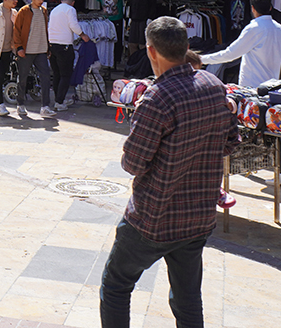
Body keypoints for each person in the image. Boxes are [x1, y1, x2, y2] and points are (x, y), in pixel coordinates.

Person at [99, 17, 237, 328]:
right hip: (198, 216)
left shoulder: (157, 98)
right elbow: (230, 142)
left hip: (153, 218)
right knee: (188, 298)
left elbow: (133, 163)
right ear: (187, 48)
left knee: (116, 286)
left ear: (151, 52)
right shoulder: (215, 87)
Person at [198, 0, 281, 181]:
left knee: (255, 128)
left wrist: (201, 58)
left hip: (250, 89)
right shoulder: (280, 29)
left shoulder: (254, 28)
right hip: (271, 89)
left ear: (252, 9)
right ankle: (266, 167)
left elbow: (230, 54)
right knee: (262, 128)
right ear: (271, 7)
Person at [13, 0, 55, 118]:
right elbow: (17, 30)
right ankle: (20, 104)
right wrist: (19, 47)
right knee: (23, 77)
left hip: (41, 49)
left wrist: (47, 47)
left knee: (46, 77)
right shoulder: (24, 11)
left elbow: (45, 29)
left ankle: (45, 106)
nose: (41, 1)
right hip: (27, 50)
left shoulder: (44, 11)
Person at [47, 0, 92, 110]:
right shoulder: (70, 10)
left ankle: (58, 99)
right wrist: (83, 35)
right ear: (73, 2)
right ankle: (59, 102)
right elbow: (74, 25)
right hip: (64, 46)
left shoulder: (54, 10)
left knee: (56, 74)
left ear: (62, 0)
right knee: (65, 75)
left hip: (52, 45)